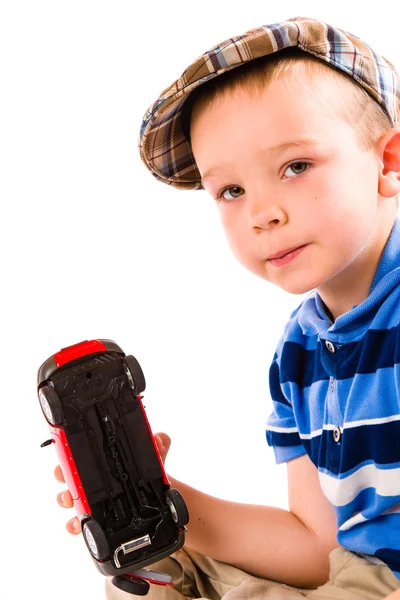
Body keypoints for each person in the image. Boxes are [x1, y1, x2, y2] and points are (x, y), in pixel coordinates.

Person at [56, 15, 400, 600]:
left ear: (389, 162)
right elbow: (319, 547)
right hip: (359, 576)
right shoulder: (298, 354)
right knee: (167, 569)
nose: (261, 212)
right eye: (232, 192)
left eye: (295, 167)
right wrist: (171, 500)